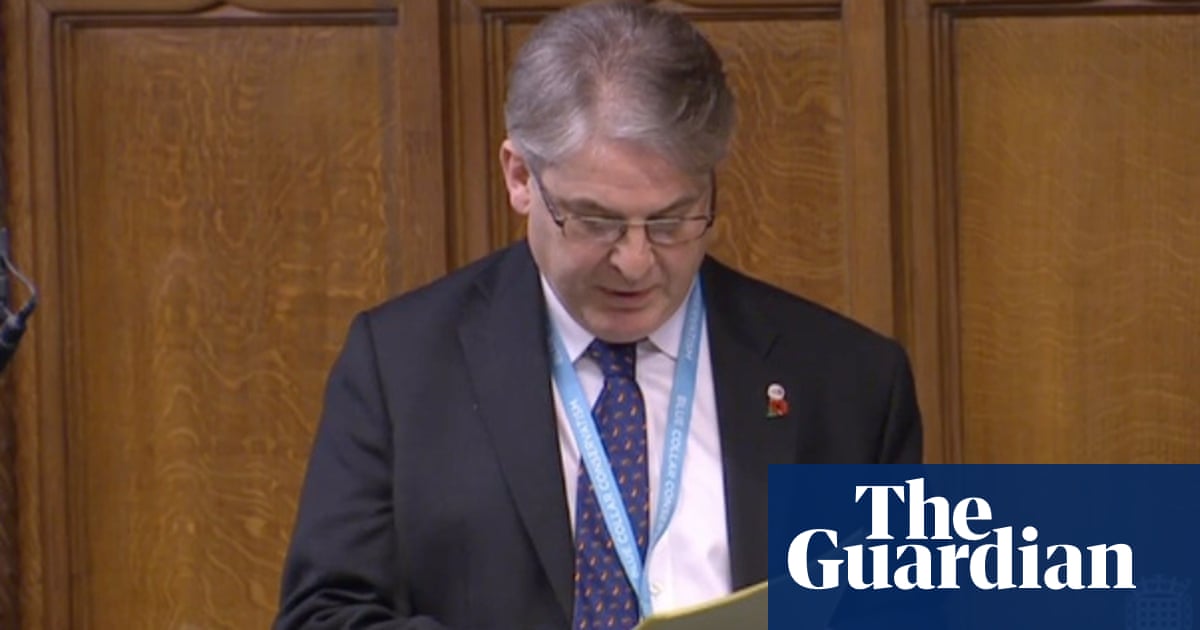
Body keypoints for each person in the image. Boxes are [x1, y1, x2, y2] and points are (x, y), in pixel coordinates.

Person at [273, 1, 921, 628]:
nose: (635, 262)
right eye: (596, 221)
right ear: (520, 177)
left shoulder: (849, 381)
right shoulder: (402, 367)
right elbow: (320, 615)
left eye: (671, 220)